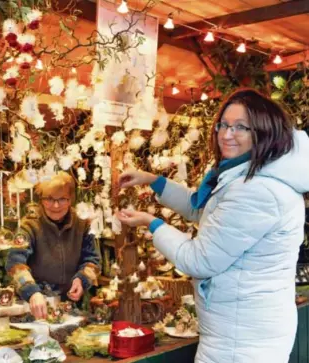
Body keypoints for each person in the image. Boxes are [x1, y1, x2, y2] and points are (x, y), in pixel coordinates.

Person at [117, 88, 309, 363]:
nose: (226, 134)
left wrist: (153, 223)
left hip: (242, 340)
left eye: (240, 127)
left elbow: (199, 260)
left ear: (263, 132)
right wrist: (153, 180)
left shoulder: (258, 190)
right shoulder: (254, 173)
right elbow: (206, 210)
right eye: (224, 125)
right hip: (239, 329)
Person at [6, 171, 100, 320]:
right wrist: (32, 292)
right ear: (41, 199)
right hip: (36, 305)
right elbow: (15, 264)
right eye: (49, 199)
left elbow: (92, 260)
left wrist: (81, 280)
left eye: (62, 199)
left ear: (71, 200)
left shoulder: (82, 222)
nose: (55, 205)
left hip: (68, 307)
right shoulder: (29, 225)